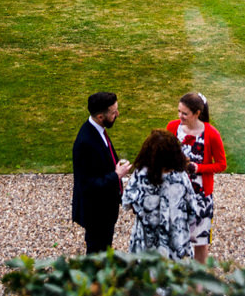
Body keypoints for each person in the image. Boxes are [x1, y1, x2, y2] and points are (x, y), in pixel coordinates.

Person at [122, 130, 204, 261]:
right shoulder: (180, 176)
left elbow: (127, 201)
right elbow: (192, 209)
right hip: (176, 243)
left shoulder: (141, 174)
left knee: (145, 278)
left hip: (146, 242)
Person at [166, 92, 227, 262]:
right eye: (179, 111)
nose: (180, 116)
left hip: (201, 196)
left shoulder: (211, 134)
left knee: (200, 241)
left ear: (197, 114)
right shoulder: (172, 127)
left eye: (184, 113)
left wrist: (198, 167)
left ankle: (198, 283)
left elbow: (221, 164)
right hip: (175, 193)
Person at [71, 92, 133, 254]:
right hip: (96, 212)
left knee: (104, 249)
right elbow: (88, 185)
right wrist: (116, 175)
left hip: (104, 209)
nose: (117, 114)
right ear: (100, 116)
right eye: (113, 112)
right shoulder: (85, 142)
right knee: (97, 253)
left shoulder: (97, 131)